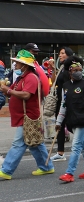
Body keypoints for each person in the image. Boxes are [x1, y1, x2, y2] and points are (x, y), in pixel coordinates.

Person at [0, 50, 56, 180]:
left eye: (18, 62)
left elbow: (26, 94)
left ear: (25, 65)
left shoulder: (30, 77)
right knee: (34, 143)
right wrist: (5, 90)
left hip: (28, 116)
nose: (15, 65)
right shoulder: (21, 78)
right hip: (24, 116)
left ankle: (6, 170)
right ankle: (46, 167)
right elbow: (11, 92)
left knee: (18, 144)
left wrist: (8, 90)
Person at [56, 59, 84, 183]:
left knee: (75, 146)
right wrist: (59, 122)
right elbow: (63, 105)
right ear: (70, 72)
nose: (78, 72)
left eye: (80, 70)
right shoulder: (66, 86)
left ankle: (69, 173)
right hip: (73, 121)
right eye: (75, 70)